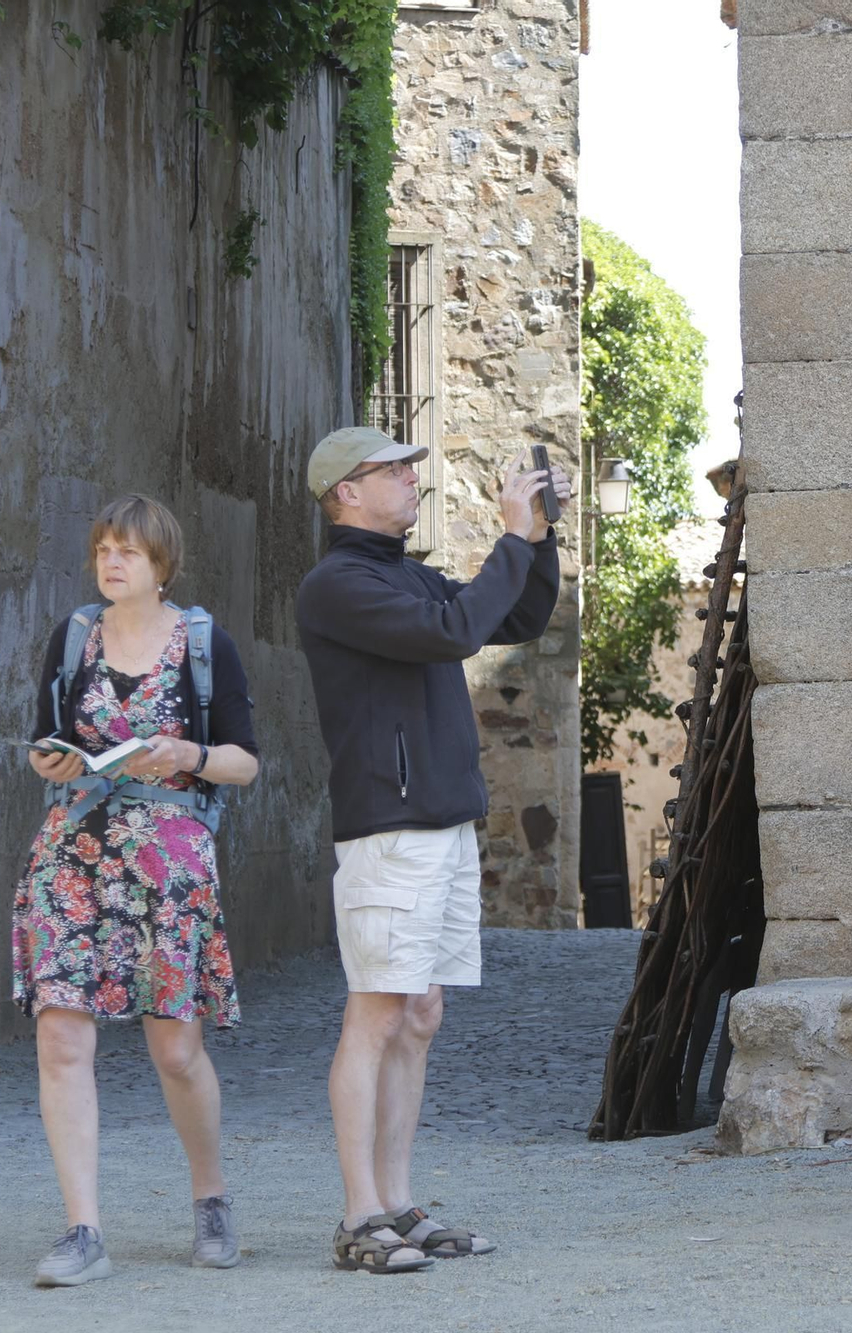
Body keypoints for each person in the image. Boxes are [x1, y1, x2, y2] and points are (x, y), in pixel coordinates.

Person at [295, 426, 570, 1275]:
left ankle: (401, 1203)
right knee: (376, 1013)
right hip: (389, 828)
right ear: (347, 490)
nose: (416, 480)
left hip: (442, 825)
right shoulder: (337, 585)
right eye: (397, 470)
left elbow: (517, 611)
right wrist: (508, 540)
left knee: (420, 1013)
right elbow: (456, 628)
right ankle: (358, 1214)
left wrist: (540, 532)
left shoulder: (402, 575)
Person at [13, 494, 261, 1286]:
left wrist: (186, 748)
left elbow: (245, 762)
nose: (111, 562)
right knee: (62, 1036)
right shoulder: (75, 637)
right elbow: (42, 737)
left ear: (162, 563)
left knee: (176, 1047)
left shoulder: (203, 641)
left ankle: (211, 1196)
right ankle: (82, 1228)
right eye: (103, 550)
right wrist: (45, 761)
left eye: (128, 551)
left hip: (168, 857)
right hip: (72, 851)